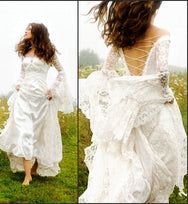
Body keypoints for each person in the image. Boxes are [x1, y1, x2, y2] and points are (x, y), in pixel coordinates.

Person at [79, 0, 187, 203]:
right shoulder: (162, 34)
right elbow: (162, 72)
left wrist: (122, 89)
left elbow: (107, 70)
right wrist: (165, 95)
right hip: (154, 107)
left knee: (125, 158)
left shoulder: (122, 36)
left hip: (126, 107)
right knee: (158, 155)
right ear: (154, 7)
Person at [0, 22, 73, 185]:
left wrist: (53, 89)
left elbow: (61, 72)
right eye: (26, 29)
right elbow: (22, 74)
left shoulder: (48, 52)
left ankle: (36, 167)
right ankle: (27, 175)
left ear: (37, 32)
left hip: (41, 97)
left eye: (29, 29)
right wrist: (18, 83)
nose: (25, 31)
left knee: (37, 134)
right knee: (25, 132)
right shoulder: (25, 51)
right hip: (23, 96)